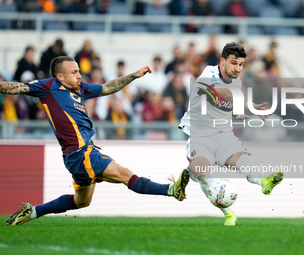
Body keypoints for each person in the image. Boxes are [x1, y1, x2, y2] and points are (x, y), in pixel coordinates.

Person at [3, 56, 190, 226]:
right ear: (60, 76)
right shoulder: (48, 87)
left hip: (76, 156)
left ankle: (33, 211)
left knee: (81, 201)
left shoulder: (81, 89)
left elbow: (109, 86)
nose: (79, 75)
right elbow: (18, 87)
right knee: (125, 174)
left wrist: (134, 75)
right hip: (81, 152)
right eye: (74, 72)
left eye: (79, 70)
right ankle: (171, 190)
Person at [178, 42, 284, 226]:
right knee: (202, 173)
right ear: (222, 61)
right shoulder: (208, 73)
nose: (237, 68)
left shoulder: (237, 81)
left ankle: (264, 182)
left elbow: (227, 103)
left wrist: (237, 113)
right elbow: (223, 94)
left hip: (223, 135)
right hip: (199, 136)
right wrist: (248, 104)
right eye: (234, 63)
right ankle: (229, 213)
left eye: (241, 64)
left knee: (242, 160)